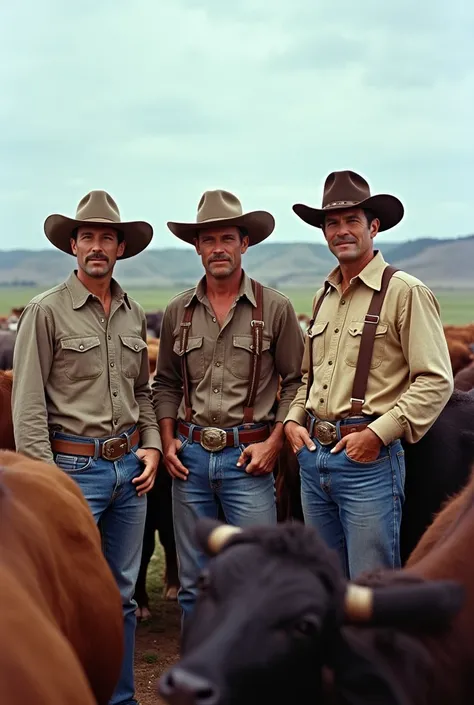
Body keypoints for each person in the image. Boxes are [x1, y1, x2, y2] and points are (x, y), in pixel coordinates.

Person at [11, 189, 162, 705]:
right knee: (61, 596)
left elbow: (142, 392)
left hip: (129, 470)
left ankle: (120, 698)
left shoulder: (131, 312)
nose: (97, 246)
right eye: (87, 237)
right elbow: (27, 406)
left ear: (120, 248)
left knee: (118, 596)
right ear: (73, 246)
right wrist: (47, 483)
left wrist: (153, 446)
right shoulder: (45, 311)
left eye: (107, 238)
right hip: (72, 469)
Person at [284, 170, 453, 578]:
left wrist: (377, 435)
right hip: (313, 459)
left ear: (373, 227)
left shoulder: (405, 292)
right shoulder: (323, 296)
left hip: (368, 463)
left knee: (370, 585)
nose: (341, 231)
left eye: (351, 221)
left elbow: (436, 380)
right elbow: (308, 378)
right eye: (332, 223)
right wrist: (292, 419)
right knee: (326, 585)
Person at [152, 189, 304, 624]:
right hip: (190, 458)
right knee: (194, 584)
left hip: (249, 459)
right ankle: (198, 685)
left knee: (255, 577)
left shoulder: (275, 308)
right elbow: (163, 383)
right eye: (208, 240)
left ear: (244, 243)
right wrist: (166, 440)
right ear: (197, 248)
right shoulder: (177, 310)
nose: (217, 248)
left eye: (227, 239)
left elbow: (295, 383)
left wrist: (275, 442)